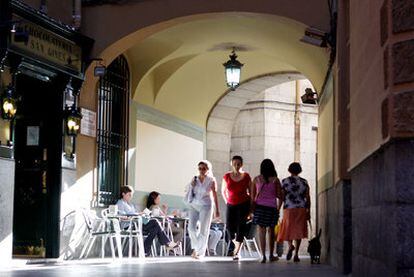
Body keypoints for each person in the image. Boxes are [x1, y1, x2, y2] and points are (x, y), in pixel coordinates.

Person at [116, 186, 179, 256]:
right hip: (129, 226)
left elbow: (134, 214)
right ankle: (167, 243)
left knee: (154, 229)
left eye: (131, 195)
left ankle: (145, 251)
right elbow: (122, 216)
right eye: (129, 195)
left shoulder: (130, 205)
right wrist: (138, 214)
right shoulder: (120, 203)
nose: (130, 197)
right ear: (123, 194)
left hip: (136, 224)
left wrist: (141, 214)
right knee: (155, 222)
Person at [277, 162, 311, 262]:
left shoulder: (285, 182)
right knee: (298, 230)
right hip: (301, 208)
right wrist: (308, 210)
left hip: (289, 208)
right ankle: (296, 254)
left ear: (289, 170)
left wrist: (278, 209)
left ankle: (290, 246)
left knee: (288, 229)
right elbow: (307, 197)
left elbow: (282, 197)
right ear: (299, 170)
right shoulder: (304, 182)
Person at [186, 160, 220, 259]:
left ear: (208, 170)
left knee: (203, 230)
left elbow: (214, 196)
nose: (201, 170)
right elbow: (190, 192)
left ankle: (199, 253)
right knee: (191, 228)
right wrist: (191, 185)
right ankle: (196, 248)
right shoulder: (194, 179)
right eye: (200, 168)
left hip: (206, 206)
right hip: (194, 205)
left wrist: (217, 210)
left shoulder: (211, 180)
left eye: (204, 169)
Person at [251, 159, 283, 263]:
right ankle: (271, 255)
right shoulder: (275, 180)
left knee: (261, 232)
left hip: (260, 208)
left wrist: (252, 210)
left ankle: (263, 256)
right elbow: (280, 196)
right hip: (272, 208)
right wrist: (278, 208)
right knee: (271, 232)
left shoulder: (256, 179)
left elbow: (252, 197)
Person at [221, 155, 252, 260]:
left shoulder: (246, 176)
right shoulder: (227, 176)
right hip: (231, 204)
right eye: (235, 164)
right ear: (231, 164)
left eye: (238, 164)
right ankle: (235, 245)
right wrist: (227, 201)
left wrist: (251, 209)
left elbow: (251, 192)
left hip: (244, 204)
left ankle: (237, 252)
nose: (237, 166)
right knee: (229, 227)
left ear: (241, 165)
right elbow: (223, 191)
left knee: (240, 228)